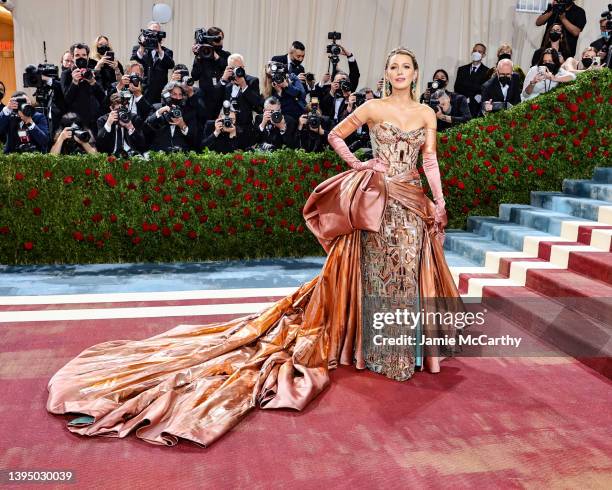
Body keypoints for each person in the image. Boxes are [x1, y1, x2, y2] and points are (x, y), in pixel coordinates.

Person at [46, 46, 463, 448]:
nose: (399, 72)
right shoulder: (373, 108)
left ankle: (400, 350)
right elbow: (337, 135)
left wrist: (439, 200)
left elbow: (429, 161)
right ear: (387, 73)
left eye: (406, 66)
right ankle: (377, 352)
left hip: (411, 203)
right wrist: (360, 164)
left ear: (415, 71)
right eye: (393, 67)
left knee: (406, 272)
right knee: (378, 273)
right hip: (376, 202)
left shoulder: (426, 113)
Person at [213, 53, 263, 145]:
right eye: (235, 68)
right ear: (229, 68)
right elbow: (213, 100)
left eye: (241, 67)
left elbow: (258, 104)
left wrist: (244, 86)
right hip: (225, 128)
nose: (239, 70)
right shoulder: (225, 81)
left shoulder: (252, 81)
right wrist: (223, 80)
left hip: (244, 130)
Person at [60, 43, 106, 130]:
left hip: (94, 121)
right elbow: (66, 100)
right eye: (77, 55)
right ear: (73, 58)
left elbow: (103, 98)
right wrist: (74, 82)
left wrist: (92, 82)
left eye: (84, 55)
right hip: (76, 122)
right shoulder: (66, 74)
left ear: (87, 57)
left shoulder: (93, 73)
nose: (81, 58)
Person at [145, 81, 198, 152]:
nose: (178, 97)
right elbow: (146, 126)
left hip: (181, 154)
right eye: (174, 94)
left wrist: (182, 125)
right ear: (167, 95)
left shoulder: (188, 112)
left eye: (180, 94)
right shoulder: (156, 107)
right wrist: (161, 111)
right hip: (159, 153)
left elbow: (194, 138)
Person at [130, 21, 175, 103]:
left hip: (159, 93)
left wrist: (160, 50)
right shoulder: (138, 49)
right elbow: (133, 61)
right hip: (141, 91)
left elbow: (171, 65)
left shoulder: (166, 52)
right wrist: (142, 46)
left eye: (156, 32)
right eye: (150, 31)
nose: (153, 34)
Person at [191, 26, 230, 117]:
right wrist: (199, 57)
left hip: (221, 97)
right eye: (218, 38)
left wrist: (215, 55)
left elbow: (227, 68)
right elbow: (194, 76)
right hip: (205, 98)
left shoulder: (226, 55)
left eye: (221, 38)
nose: (220, 41)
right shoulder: (202, 56)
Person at [454, 43, 490, 117]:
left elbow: (484, 90)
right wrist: (467, 97)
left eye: (479, 52)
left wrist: (473, 98)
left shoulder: (487, 72)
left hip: (477, 109)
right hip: (461, 107)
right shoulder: (461, 69)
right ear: (472, 52)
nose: (476, 53)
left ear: (483, 55)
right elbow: (457, 87)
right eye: (474, 50)